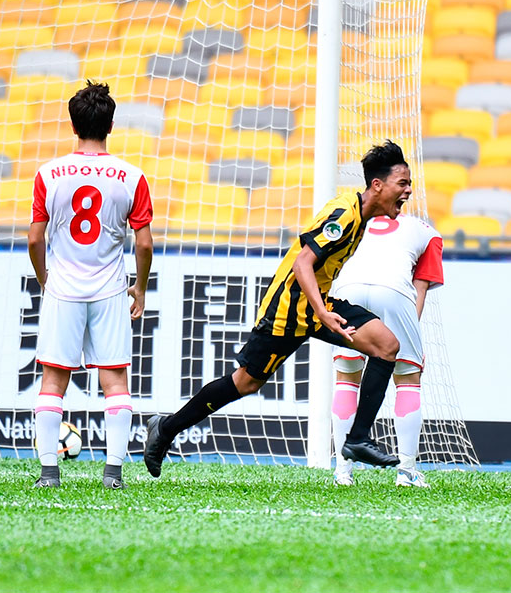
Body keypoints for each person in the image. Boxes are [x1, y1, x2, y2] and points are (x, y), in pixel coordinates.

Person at [143, 141, 409, 479]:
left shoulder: (361, 219)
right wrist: (323, 313)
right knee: (245, 383)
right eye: (402, 183)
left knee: (387, 346)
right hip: (288, 307)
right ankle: (165, 429)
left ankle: (357, 439)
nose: (408, 191)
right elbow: (302, 264)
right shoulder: (344, 215)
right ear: (377, 185)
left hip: (316, 305)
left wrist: (322, 310)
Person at [29, 81, 154, 490]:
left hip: (63, 287)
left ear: (73, 124)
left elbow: (34, 238)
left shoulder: (48, 173)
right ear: (111, 124)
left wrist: (45, 279)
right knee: (114, 381)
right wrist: (140, 286)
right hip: (109, 288)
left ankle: (49, 472)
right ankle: (113, 472)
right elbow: (145, 243)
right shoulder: (132, 176)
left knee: (53, 380)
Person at [328, 213, 444, 488]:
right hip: (394, 293)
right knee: (407, 378)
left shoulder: (352, 218)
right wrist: (410, 340)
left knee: (346, 377)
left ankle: (342, 472)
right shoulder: (428, 233)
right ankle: (406, 471)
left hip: (347, 289)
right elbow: (420, 288)